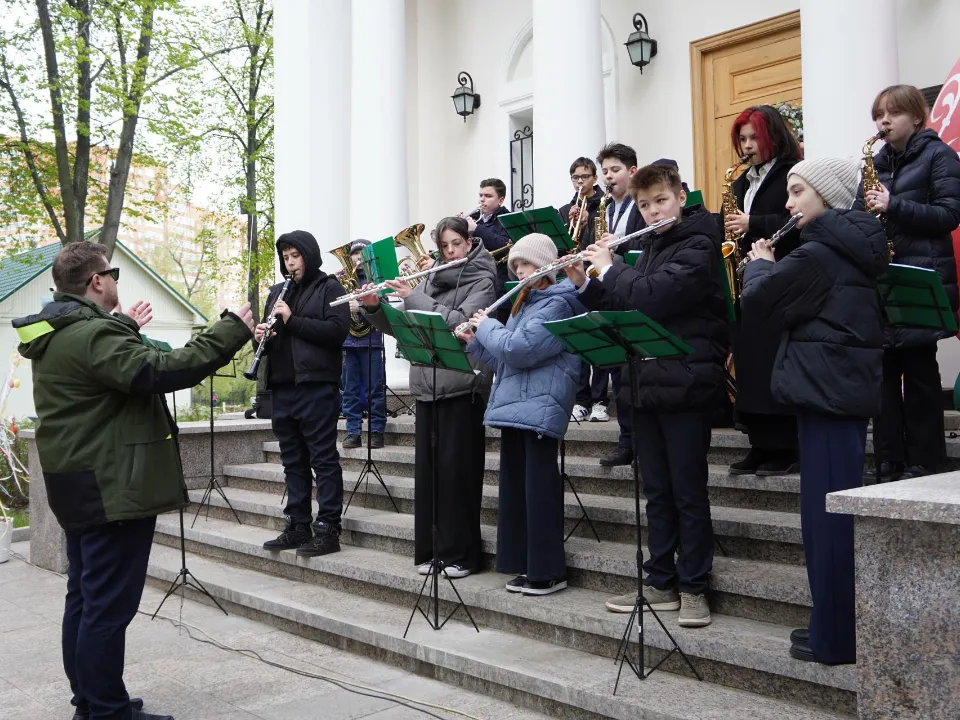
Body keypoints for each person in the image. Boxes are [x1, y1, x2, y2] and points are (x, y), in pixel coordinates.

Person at [14, 241, 254, 720]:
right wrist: (233, 330)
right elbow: (162, 370)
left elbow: (124, 360)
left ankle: (92, 698)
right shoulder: (91, 335)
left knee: (85, 598)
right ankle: (105, 710)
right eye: (114, 273)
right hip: (109, 486)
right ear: (97, 281)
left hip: (79, 482)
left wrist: (126, 326)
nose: (117, 282)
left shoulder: (66, 330)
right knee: (106, 606)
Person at [741, 157, 889, 664]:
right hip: (836, 392)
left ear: (825, 195)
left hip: (827, 395)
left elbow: (761, 302)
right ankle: (832, 625)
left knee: (826, 523)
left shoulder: (820, 254)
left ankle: (835, 639)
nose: (788, 202)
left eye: (798, 191)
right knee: (831, 518)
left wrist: (760, 264)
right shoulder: (845, 247)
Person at [567, 163, 728, 627]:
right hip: (645, 382)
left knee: (688, 491)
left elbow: (655, 296)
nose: (653, 210)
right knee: (656, 490)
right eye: (644, 205)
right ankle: (660, 580)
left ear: (680, 196)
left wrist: (612, 269)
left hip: (687, 381)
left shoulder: (699, 243)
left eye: (660, 200)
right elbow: (625, 304)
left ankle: (695, 585)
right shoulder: (648, 246)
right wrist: (585, 282)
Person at [363, 216, 497, 578]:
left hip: (462, 388)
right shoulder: (430, 277)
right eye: (445, 246)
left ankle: (463, 555)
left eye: (456, 244)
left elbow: (461, 325)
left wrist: (415, 296)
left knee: (458, 477)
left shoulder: (483, 277)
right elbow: (404, 326)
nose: (450, 251)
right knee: (431, 477)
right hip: (427, 386)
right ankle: (433, 551)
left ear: (469, 242)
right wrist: (376, 308)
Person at [458, 233, 584, 596]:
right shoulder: (524, 303)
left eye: (525, 264)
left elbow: (521, 349)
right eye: (515, 265)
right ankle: (525, 565)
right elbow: (503, 361)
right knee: (516, 491)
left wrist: (487, 325)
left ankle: (548, 571)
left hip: (541, 406)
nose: (519, 271)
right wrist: (476, 342)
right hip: (516, 405)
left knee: (539, 490)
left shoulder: (560, 303)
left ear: (545, 265)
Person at [855, 84, 960, 482]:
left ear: (917, 116)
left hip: (920, 275)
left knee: (918, 371)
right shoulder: (877, 163)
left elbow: (950, 213)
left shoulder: (939, 155)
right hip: (883, 278)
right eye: (878, 115)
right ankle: (889, 459)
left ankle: (924, 458)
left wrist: (893, 204)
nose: (883, 121)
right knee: (883, 371)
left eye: (892, 113)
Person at [258, 230, 351, 557]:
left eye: (295, 256)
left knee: (323, 459)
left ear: (308, 256)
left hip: (316, 386)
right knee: (292, 460)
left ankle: (328, 528)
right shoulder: (277, 293)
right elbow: (274, 341)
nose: (290, 263)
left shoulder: (330, 288)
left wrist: (293, 321)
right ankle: (297, 525)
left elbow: (337, 332)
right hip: (283, 388)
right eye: (285, 257)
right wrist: (261, 337)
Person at [725, 105, 804, 478]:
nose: (747, 145)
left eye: (754, 137)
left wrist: (751, 222)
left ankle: (786, 447)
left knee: (774, 363)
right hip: (748, 278)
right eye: (742, 139)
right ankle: (759, 444)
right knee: (751, 364)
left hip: (781, 277)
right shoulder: (741, 183)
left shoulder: (792, 173)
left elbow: (800, 220)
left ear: (773, 136)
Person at [592, 143, 642, 464]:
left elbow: (644, 242)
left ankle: (640, 440)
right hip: (611, 293)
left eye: (615, 170)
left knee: (635, 373)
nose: (608, 177)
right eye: (605, 172)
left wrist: (616, 247)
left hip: (635, 289)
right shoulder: (606, 208)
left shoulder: (641, 204)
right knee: (616, 372)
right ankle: (626, 440)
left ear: (632, 171)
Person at [560, 156, 611, 424]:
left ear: (594, 178)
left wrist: (589, 220)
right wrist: (570, 224)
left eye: (585, 177)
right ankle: (581, 399)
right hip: (575, 279)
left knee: (600, 337)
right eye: (575, 178)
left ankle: (600, 400)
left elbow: (603, 241)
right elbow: (563, 247)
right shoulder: (565, 209)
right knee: (579, 338)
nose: (580, 182)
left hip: (598, 277)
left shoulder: (605, 204)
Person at [341, 239, 386, 450]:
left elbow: (384, 308)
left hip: (372, 340)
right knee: (349, 390)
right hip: (349, 342)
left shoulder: (377, 279)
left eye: (362, 253)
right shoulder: (342, 281)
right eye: (354, 254)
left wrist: (359, 306)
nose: (358, 258)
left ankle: (377, 431)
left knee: (375, 388)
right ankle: (353, 432)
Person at [465, 178, 512, 307]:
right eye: (481, 195)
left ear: (501, 200)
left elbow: (504, 246)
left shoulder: (507, 219)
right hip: (476, 280)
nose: (482, 199)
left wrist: (477, 229)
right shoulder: (475, 218)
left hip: (499, 282)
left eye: (488, 196)